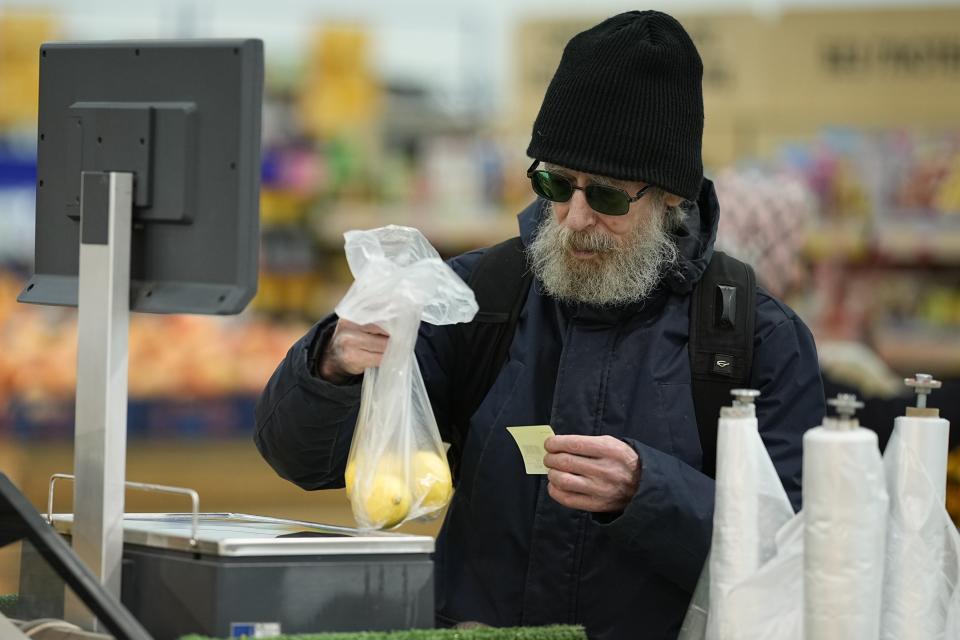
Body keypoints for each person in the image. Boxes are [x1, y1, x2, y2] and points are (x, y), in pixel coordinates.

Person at [255, 10, 825, 640]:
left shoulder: (754, 337)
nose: (575, 216)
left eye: (606, 195)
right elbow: (300, 461)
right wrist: (331, 366)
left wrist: (648, 491)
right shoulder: (477, 297)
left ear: (671, 196)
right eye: (555, 182)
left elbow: (796, 554)